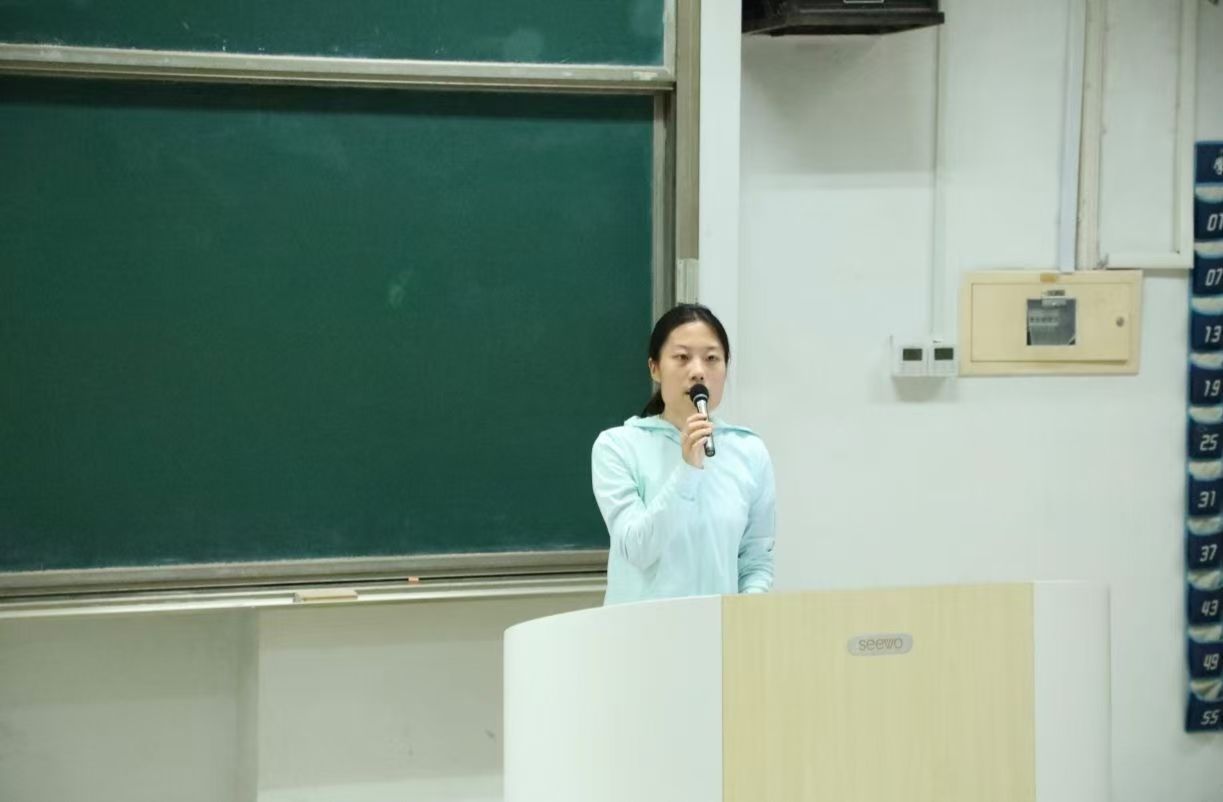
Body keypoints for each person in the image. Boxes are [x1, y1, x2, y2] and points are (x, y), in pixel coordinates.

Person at [591, 303, 776, 605]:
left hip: (718, 629)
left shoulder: (749, 450)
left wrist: (746, 616)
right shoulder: (618, 446)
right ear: (655, 368)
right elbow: (638, 549)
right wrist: (687, 470)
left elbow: (756, 561)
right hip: (641, 628)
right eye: (682, 357)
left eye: (712, 358)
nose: (698, 372)